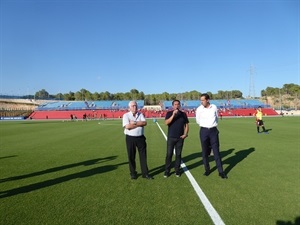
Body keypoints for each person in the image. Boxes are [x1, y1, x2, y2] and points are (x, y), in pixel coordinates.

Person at [195, 93, 228, 179]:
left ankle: (221, 172)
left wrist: (211, 125)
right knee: (205, 152)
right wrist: (205, 126)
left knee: (216, 151)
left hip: (213, 131)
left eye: (203, 100)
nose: (201, 102)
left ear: (208, 100)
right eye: (201, 100)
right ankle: (207, 169)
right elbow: (198, 120)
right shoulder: (199, 109)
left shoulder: (214, 107)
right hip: (204, 131)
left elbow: (216, 117)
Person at [122, 100, 153, 180]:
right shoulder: (126, 115)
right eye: (133, 106)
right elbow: (127, 127)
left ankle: (145, 173)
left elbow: (145, 123)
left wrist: (134, 123)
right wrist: (139, 124)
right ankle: (133, 173)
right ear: (129, 107)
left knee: (143, 156)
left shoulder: (140, 114)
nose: (135, 107)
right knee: (131, 156)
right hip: (130, 138)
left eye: (135, 105)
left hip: (140, 138)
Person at [164, 100, 189, 178]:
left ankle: (177, 170)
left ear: (180, 105)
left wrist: (185, 134)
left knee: (178, 155)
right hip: (171, 137)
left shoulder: (183, 114)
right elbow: (166, 123)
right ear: (172, 106)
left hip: (180, 138)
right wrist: (173, 115)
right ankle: (167, 171)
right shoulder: (169, 113)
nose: (177, 106)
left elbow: (187, 125)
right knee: (169, 154)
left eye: (178, 104)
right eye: (175, 104)